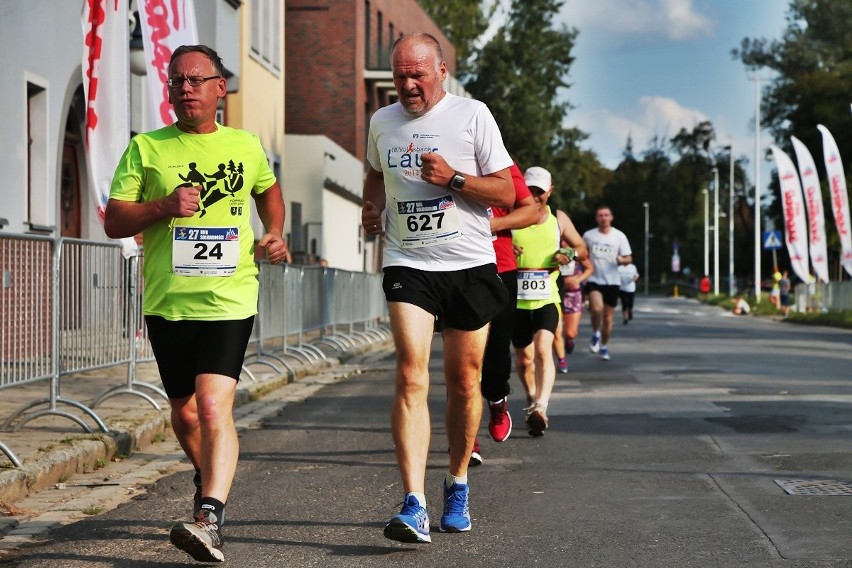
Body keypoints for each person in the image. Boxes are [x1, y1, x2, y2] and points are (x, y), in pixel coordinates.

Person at [104, 45, 289, 563]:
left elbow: (268, 194)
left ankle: (209, 515)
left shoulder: (246, 145)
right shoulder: (147, 148)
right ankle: (209, 476)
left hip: (230, 296)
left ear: (219, 88)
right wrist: (162, 207)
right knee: (184, 416)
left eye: (196, 79)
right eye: (176, 81)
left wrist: (273, 232)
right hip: (168, 301)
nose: (185, 88)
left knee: (212, 406)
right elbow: (114, 221)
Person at [361, 32, 515, 543]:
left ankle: (457, 482)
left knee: (465, 381)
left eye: (417, 75)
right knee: (410, 373)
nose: (407, 85)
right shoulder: (381, 122)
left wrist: (453, 179)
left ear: (440, 70)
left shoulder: (472, 115)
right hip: (409, 262)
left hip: (469, 264)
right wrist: (371, 206)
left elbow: (507, 192)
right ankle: (413, 502)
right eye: (399, 76)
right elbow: (374, 174)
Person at [511, 167, 587, 437]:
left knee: (544, 348)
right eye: (529, 190)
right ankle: (532, 399)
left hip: (546, 296)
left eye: (539, 192)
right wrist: (505, 247)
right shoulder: (511, 214)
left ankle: (541, 407)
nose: (534, 196)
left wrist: (567, 253)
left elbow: (581, 249)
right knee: (523, 359)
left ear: (549, 192)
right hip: (516, 300)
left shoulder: (559, 220)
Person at [475, 162, 537, 461]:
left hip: (501, 268)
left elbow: (530, 211)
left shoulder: (502, 163)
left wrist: (490, 226)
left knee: (497, 349)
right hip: (455, 269)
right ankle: (466, 438)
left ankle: (497, 401)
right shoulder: (441, 154)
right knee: (461, 359)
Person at [583, 205, 632, 361]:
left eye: (606, 215)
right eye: (600, 215)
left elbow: (629, 258)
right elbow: (582, 253)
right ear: (596, 218)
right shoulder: (589, 236)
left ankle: (603, 346)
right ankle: (596, 333)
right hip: (594, 279)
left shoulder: (619, 236)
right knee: (596, 309)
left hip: (612, 281)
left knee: (609, 319)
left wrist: (621, 259)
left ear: (611, 217)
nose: (603, 218)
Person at [560, 253, 594, 360]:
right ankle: (562, 359)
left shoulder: (576, 251)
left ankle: (569, 339)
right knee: (555, 330)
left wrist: (577, 280)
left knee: (570, 333)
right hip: (554, 292)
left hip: (573, 294)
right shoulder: (551, 246)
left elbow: (589, 268)